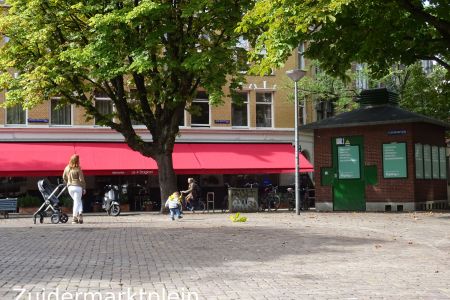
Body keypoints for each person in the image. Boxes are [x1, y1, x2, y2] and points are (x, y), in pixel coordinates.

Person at [63, 154, 86, 224]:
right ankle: (74, 217)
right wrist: (84, 188)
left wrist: (68, 182)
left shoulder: (67, 168)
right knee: (76, 202)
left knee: (77, 201)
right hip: (77, 187)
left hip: (70, 187)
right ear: (77, 161)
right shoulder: (78, 169)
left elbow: (64, 177)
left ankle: (80, 216)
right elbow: (81, 180)